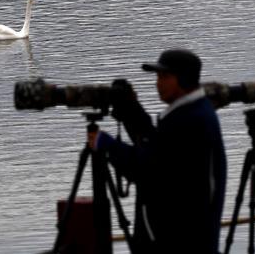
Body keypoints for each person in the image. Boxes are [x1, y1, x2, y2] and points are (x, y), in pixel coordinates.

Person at [88, 48, 226, 254]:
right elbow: (159, 150)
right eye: (158, 76)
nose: (158, 83)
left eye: (164, 77)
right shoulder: (196, 111)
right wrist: (131, 111)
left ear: (183, 79)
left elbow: (146, 170)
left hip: (177, 241)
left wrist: (106, 144)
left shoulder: (188, 120)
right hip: (189, 237)